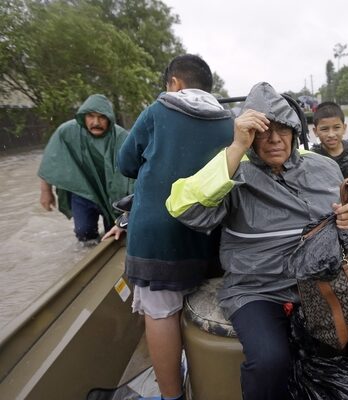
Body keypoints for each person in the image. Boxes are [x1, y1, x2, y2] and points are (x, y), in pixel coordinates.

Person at [166, 82, 348, 400]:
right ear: (248, 135)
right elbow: (186, 210)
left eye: (283, 129)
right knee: (269, 361)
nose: (274, 139)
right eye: (262, 131)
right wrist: (235, 149)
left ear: (296, 132)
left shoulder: (323, 167)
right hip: (257, 290)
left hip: (325, 284)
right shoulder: (234, 171)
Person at [103, 54, 234, 400]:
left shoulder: (158, 111)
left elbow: (126, 163)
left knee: (161, 313)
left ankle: (171, 396)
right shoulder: (230, 123)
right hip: (211, 236)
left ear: (174, 83)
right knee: (197, 304)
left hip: (158, 238)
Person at [38, 94, 132, 245]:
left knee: (115, 232)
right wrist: (45, 191)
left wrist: (127, 214)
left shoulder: (121, 137)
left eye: (101, 117)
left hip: (113, 195)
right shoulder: (66, 132)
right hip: (83, 192)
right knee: (84, 232)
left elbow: (132, 175)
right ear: (83, 117)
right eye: (91, 116)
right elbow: (51, 161)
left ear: (109, 118)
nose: (96, 122)